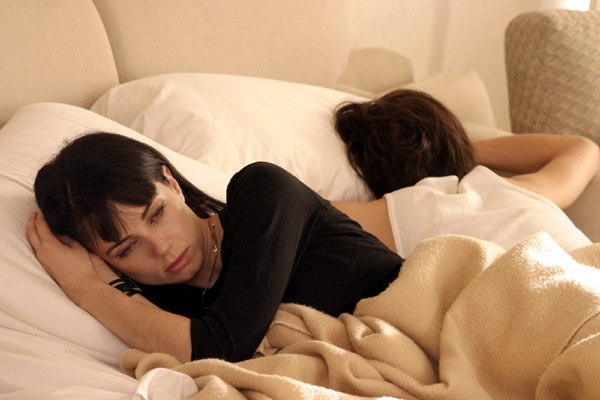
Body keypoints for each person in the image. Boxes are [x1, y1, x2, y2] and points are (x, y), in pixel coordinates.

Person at [26, 132, 403, 364]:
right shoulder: (162, 313)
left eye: (157, 214)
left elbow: (223, 347)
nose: (161, 248)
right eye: (127, 249)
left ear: (171, 183)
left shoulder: (262, 193)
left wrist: (85, 288)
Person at [333, 89, 600, 257]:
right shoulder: (519, 189)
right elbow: (583, 148)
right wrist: (456, 148)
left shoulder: (395, 214)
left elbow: (310, 211)